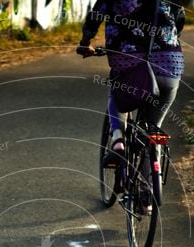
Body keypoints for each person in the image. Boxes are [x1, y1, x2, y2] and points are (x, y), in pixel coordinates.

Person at [77, 0, 185, 165]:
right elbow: (179, 18)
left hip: (127, 57)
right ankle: (150, 175)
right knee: (153, 128)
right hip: (169, 60)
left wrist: (85, 43)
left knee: (118, 92)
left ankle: (118, 141)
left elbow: (95, 17)